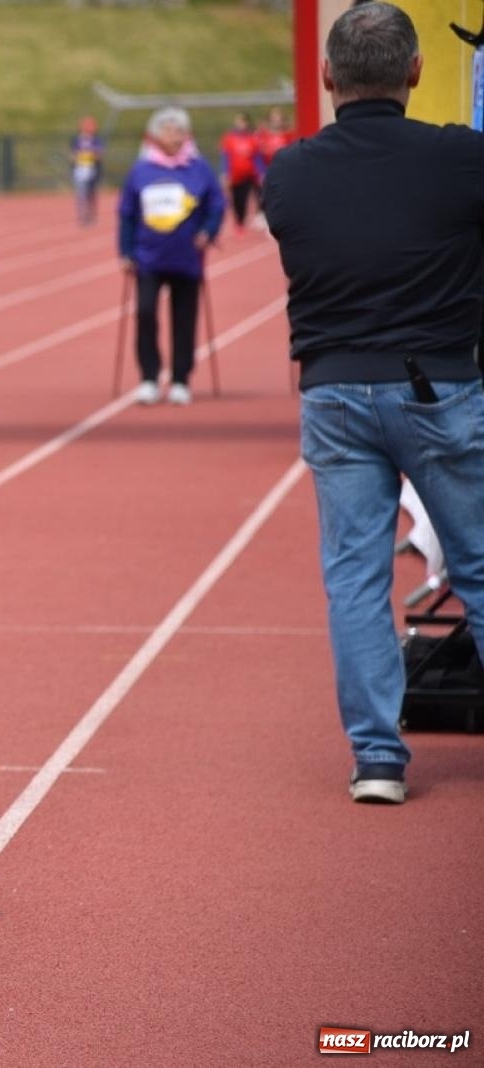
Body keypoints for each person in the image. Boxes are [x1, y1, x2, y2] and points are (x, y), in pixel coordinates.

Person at [265, 0, 484, 805]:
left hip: (332, 390)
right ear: (418, 72)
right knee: (481, 564)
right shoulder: (462, 159)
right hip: (439, 387)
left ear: (327, 77)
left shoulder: (286, 171)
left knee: (355, 579)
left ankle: (378, 760)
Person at [117, 107, 225, 406]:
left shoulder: (199, 168)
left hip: (187, 257)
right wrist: (125, 251)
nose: (175, 136)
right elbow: (126, 213)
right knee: (146, 313)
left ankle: (180, 379)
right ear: (154, 135)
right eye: (168, 130)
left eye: (180, 131)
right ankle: (149, 377)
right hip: (148, 258)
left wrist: (208, 231)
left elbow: (216, 204)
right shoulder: (141, 170)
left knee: (184, 318)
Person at [219, 112, 261, 229]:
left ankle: (259, 216)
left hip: (250, 174)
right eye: (238, 121)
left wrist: (260, 171)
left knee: (256, 194)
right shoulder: (229, 138)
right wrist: (225, 172)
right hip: (235, 174)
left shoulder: (252, 138)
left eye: (243, 121)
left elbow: (257, 156)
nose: (241, 124)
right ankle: (239, 220)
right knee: (238, 198)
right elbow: (225, 156)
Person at [69, 115, 104, 226]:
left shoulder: (96, 140)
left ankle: (92, 215)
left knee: (91, 194)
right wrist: (78, 157)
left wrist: (90, 155)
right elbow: (72, 155)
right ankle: (82, 216)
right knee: (80, 194)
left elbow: (99, 155)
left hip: (92, 170)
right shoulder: (76, 140)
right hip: (79, 171)